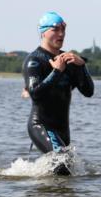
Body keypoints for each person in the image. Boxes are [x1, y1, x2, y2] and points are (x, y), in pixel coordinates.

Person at [22, 11, 94, 173]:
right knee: (62, 165)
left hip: (62, 129)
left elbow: (88, 91)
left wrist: (82, 66)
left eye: (63, 29)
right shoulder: (34, 61)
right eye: (56, 29)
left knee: (65, 168)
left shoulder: (69, 60)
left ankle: (48, 194)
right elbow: (36, 94)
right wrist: (56, 72)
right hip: (40, 125)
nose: (61, 34)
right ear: (43, 32)